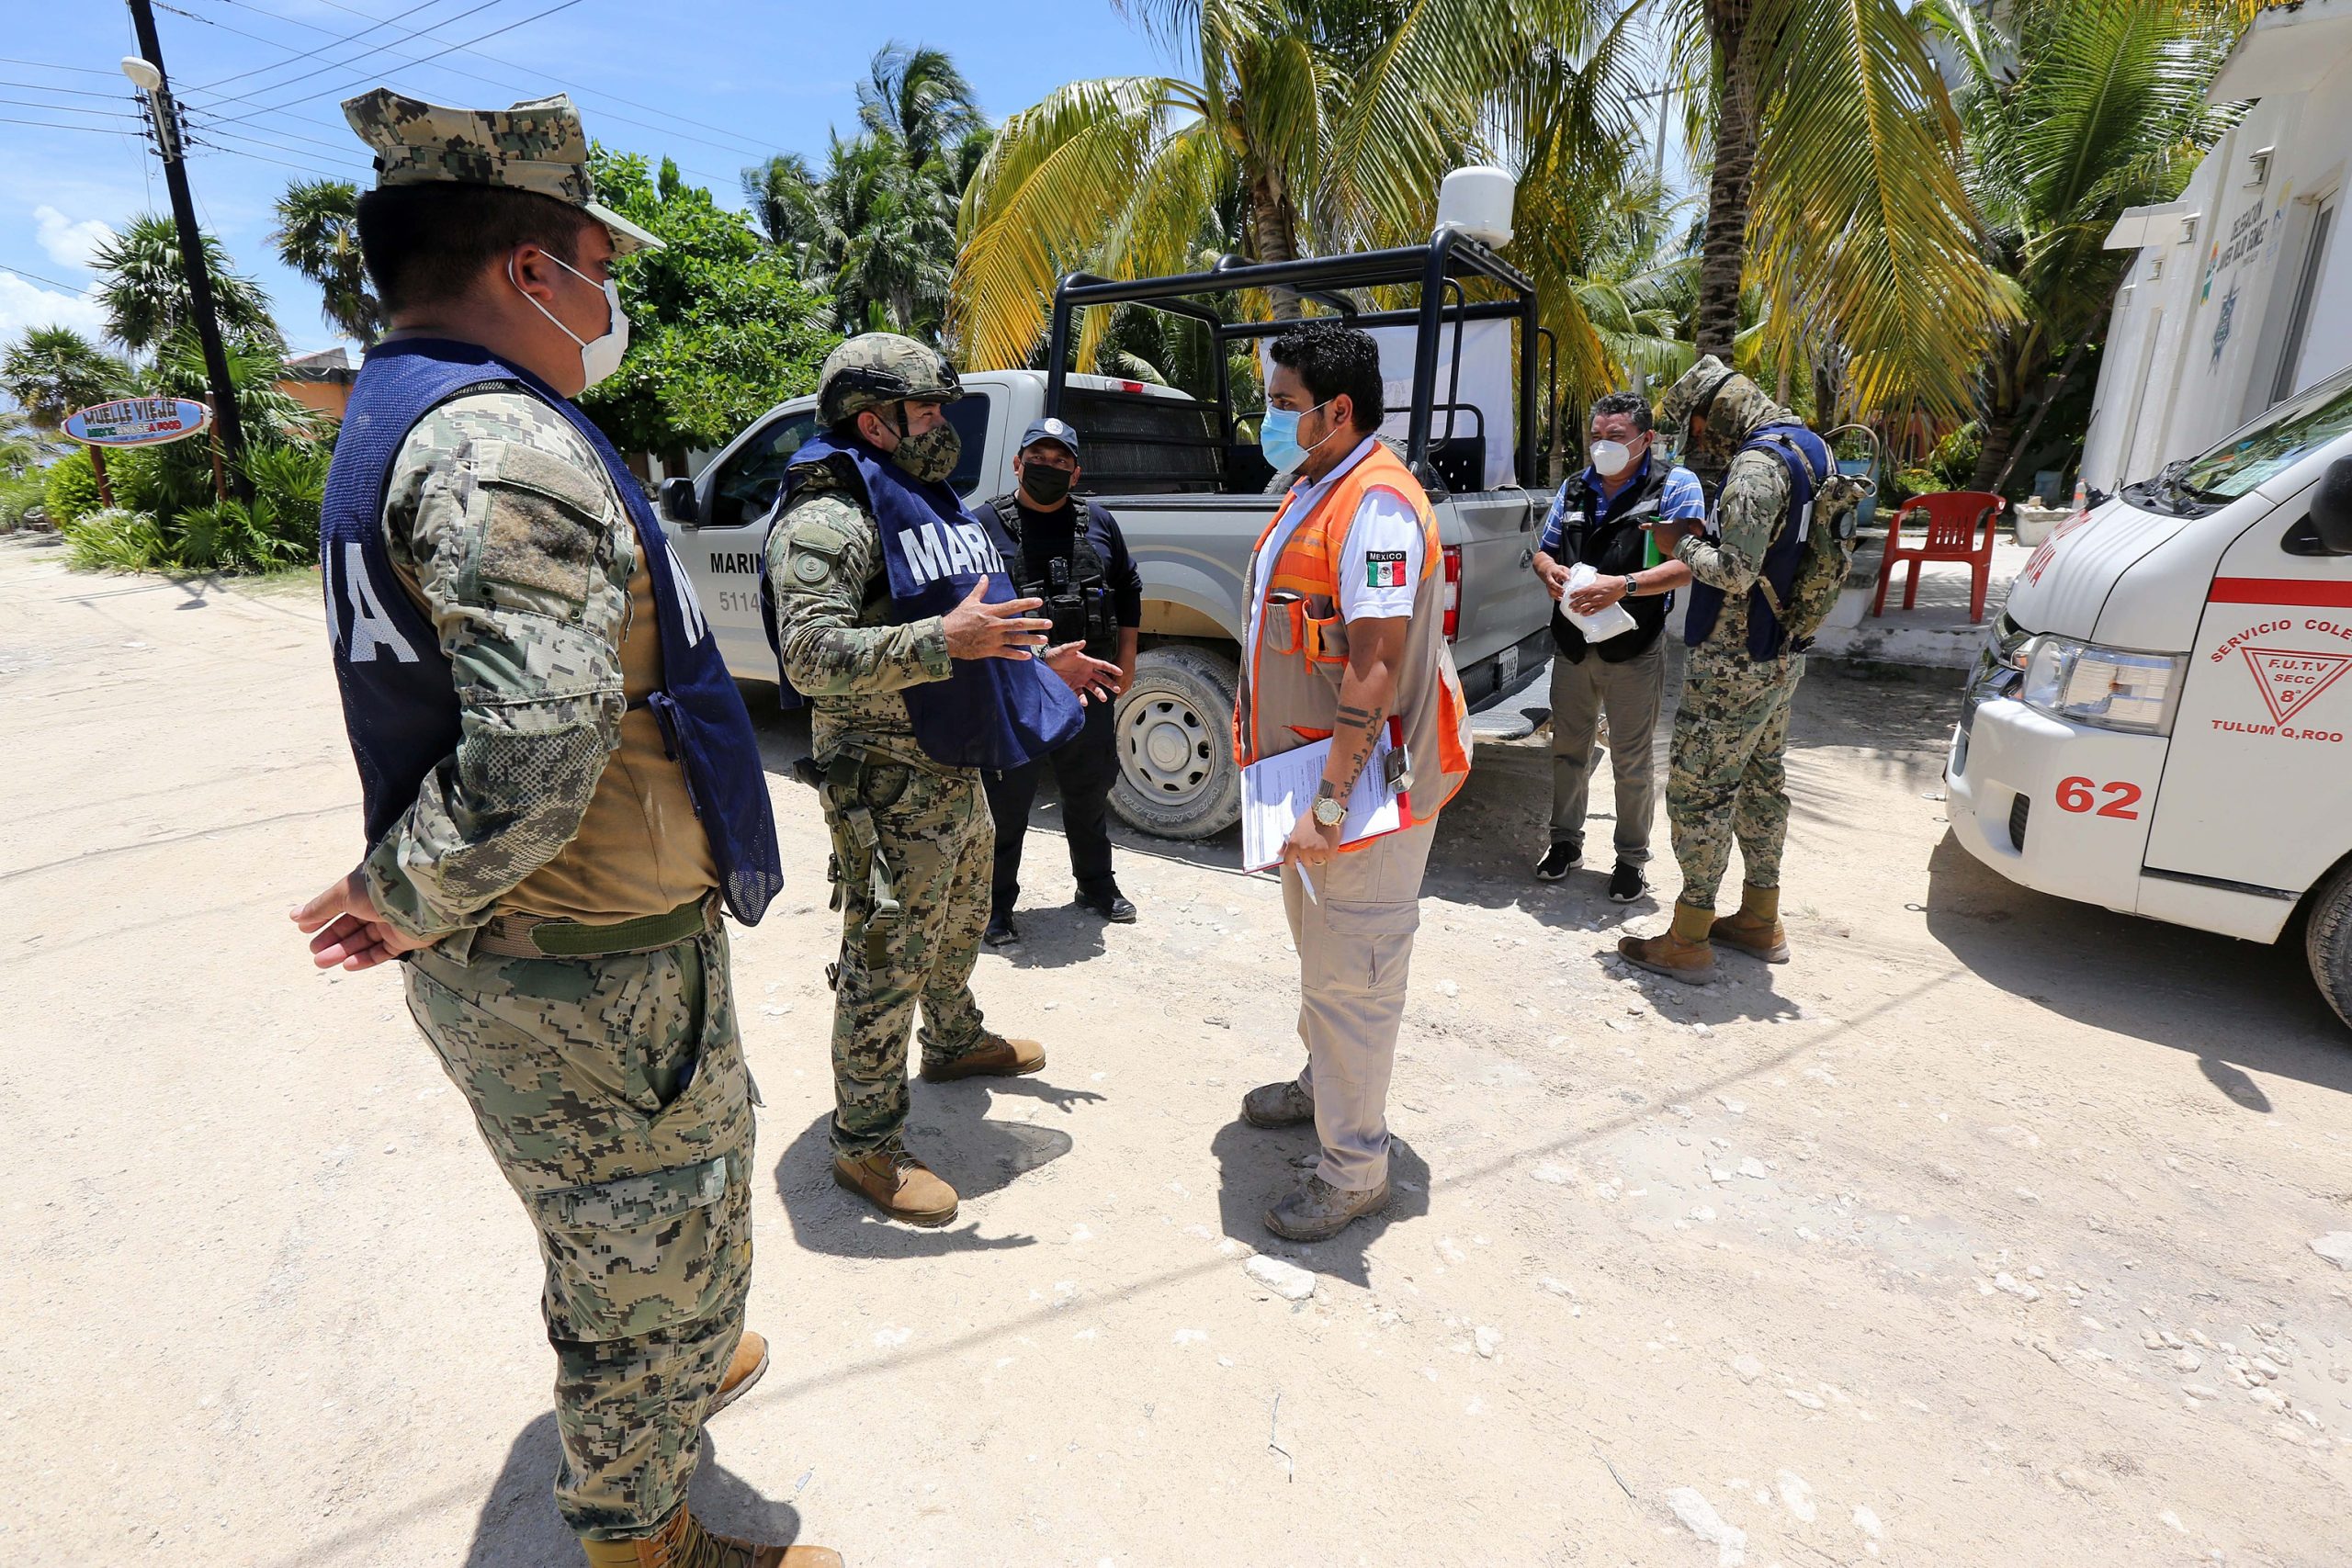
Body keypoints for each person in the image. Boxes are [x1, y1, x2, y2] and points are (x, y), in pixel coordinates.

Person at [288, 91, 836, 1568]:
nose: (614, 297)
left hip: (557, 951)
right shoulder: (500, 446)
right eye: (601, 261)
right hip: (581, 961)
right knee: (642, 1249)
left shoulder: (397, 408)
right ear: (535, 272)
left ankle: (675, 1350)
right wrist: (398, 889)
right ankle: (638, 1523)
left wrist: (409, 892)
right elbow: (539, 747)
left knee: (630, 1214)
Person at [763, 334, 1120, 1228]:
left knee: (961, 914)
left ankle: (954, 1040)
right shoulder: (828, 518)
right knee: (887, 952)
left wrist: (1045, 671)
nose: (942, 429)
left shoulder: (929, 504)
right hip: (880, 779)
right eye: (925, 413)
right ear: (872, 421)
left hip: (949, 758)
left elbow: (978, 624)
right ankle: (867, 1143)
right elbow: (806, 656)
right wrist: (941, 645)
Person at [1235, 322, 1474, 1242]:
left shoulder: (1374, 505)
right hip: (1306, 777)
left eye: (1282, 403)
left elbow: (1372, 667)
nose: (1269, 418)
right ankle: (1320, 1087)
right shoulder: (1314, 486)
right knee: (1321, 954)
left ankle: (1353, 1169)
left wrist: (1330, 808)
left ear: (1337, 410)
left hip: (1360, 796)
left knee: (1354, 979)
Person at [1618, 354, 1818, 985]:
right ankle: (1761, 917)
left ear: (1719, 408)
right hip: (1782, 651)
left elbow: (1734, 570)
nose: (1701, 439)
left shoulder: (1754, 469)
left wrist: (1683, 542)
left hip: (1735, 659)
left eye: (1699, 425)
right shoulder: (1808, 447)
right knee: (1762, 781)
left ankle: (1688, 937)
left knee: (1700, 791)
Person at [1529, 390, 1703, 901]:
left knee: (1631, 759)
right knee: (1568, 751)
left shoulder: (1675, 485)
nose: (1602, 446)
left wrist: (1622, 585)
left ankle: (1631, 859)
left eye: (1616, 437)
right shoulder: (1575, 489)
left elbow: (1688, 564)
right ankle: (1564, 844)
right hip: (1572, 645)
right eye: (1597, 436)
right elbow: (1543, 551)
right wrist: (1551, 572)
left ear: (1646, 440)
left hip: (1635, 645)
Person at [979, 417, 1145, 946]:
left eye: (1059, 461)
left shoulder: (1098, 522)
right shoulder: (982, 525)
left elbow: (1128, 586)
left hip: (1088, 686)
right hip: (1014, 691)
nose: (1046, 467)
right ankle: (995, 905)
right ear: (1016, 463)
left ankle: (1096, 885)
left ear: (1075, 472)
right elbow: (975, 613)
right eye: (1037, 457)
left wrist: (1129, 657)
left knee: (1089, 790)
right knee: (1007, 804)